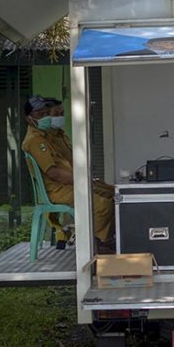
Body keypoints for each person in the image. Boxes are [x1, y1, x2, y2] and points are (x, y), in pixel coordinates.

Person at [22, 95, 115, 250]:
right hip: (57, 189)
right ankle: (92, 245)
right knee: (102, 205)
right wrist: (83, 182)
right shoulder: (36, 140)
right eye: (40, 114)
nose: (45, 117)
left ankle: (103, 239)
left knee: (112, 197)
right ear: (29, 118)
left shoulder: (49, 135)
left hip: (67, 184)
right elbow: (54, 173)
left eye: (46, 113)